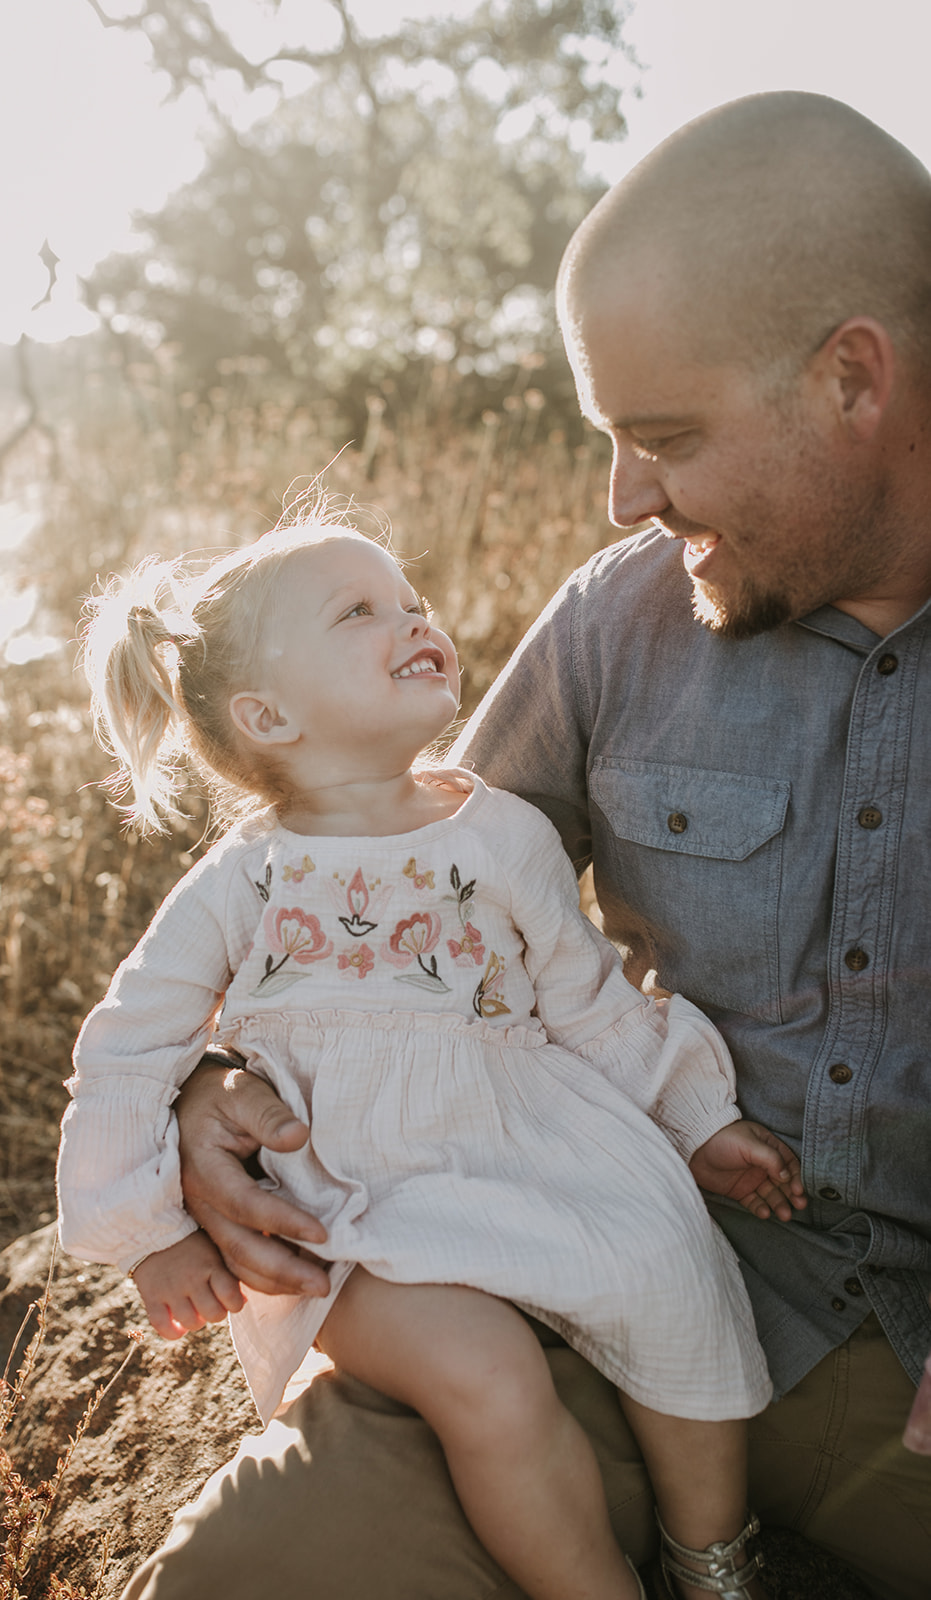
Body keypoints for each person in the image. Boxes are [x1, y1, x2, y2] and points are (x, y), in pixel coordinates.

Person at [115, 92, 931, 1600]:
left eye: (663, 437)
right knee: (240, 1583)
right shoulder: (618, 620)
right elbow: (388, 879)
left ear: (851, 379)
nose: (622, 498)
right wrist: (213, 1086)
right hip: (597, 1280)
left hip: (895, 1393)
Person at [58, 516, 807, 1600]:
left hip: (531, 1153)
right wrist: (147, 1235)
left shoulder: (498, 833)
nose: (412, 618)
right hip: (357, 1210)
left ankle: (714, 1559)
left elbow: (589, 999)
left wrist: (695, 1121)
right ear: (267, 716)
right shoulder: (243, 881)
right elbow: (130, 1047)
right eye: (358, 612)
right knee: (486, 1377)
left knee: (673, 1273)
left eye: (408, 598)